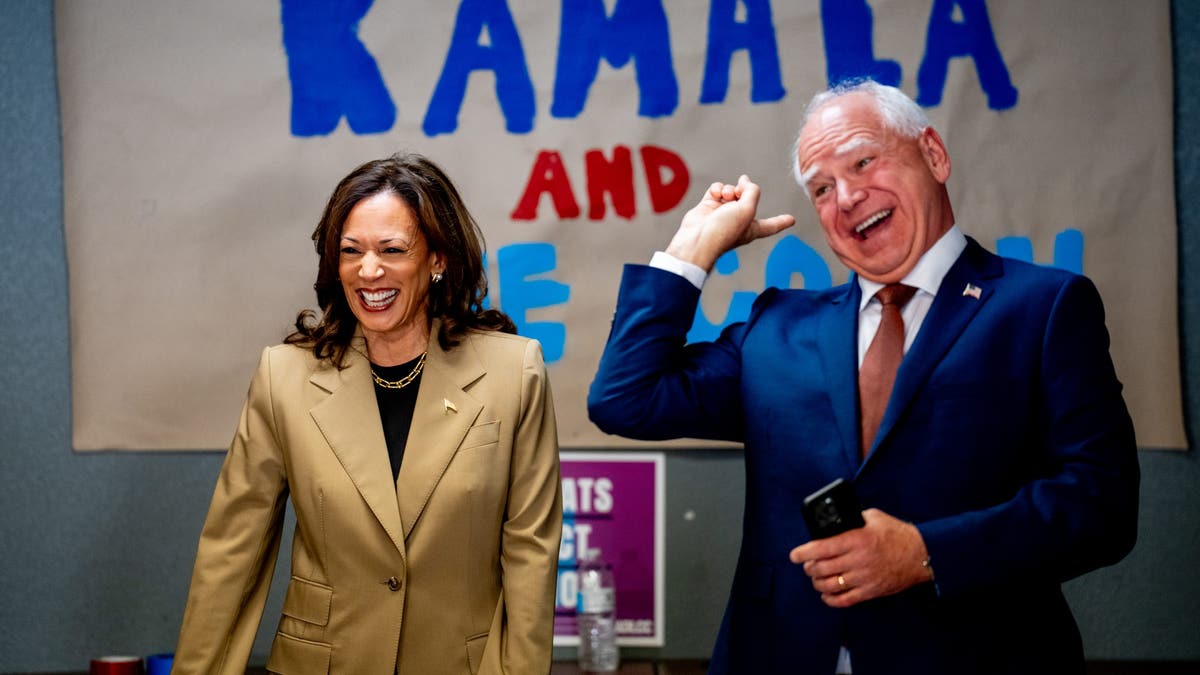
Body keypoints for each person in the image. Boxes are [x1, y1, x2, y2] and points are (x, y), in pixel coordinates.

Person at [588, 80, 1139, 674]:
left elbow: (1101, 506)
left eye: (863, 161)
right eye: (821, 187)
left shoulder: (1045, 306)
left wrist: (926, 553)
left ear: (933, 154)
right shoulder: (777, 327)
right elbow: (625, 399)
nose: (847, 195)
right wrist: (691, 251)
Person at [173, 153, 563, 674]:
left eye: (393, 250)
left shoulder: (515, 373)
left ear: (439, 259)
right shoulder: (283, 377)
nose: (369, 270)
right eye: (350, 251)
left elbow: (531, 557)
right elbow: (231, 553)